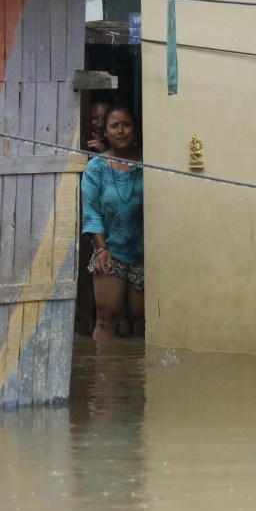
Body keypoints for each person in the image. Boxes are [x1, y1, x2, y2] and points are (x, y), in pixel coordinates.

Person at [81, 103, 143, 339]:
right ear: (105, 132)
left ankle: (138, 376)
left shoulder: (149, 162)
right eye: (114, 126)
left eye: (126, 125)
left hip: (145, 254)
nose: (120, 131)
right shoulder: (96, 168)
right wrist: (101, 249)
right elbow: (91, 212)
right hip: (110, 252)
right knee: (107, 321)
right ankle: (105, 373)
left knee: (143, 323)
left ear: (135, 129)